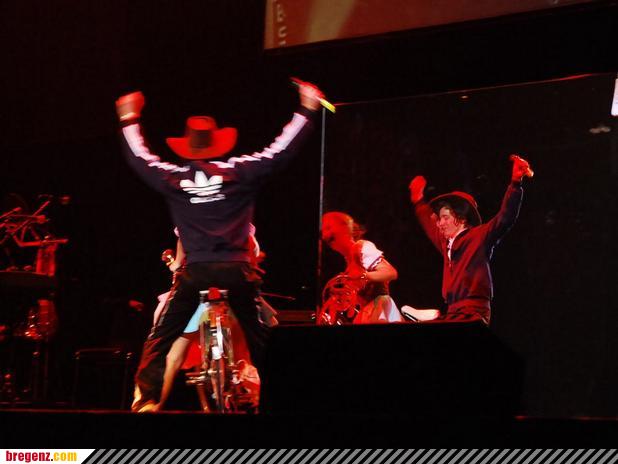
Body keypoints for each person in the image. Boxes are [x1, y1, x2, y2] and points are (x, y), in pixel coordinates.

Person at [116, 81, 323, 412]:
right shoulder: (241, 171)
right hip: (237, 271)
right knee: (261, 338)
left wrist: (129, 117)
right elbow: (281, 150)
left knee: (161, 335)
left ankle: (148, 401)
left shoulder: (175, 177)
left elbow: (140, 158)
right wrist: (307, 109)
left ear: (187, 147)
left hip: (195, 272)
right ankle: (281, 400)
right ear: (218, 143)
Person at [408, 155, 533, 325]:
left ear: (461, 218)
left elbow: (505, 218)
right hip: (452, 312)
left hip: (473, 312)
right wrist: (418, 201)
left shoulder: (479, 236)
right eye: (439, 218)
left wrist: (515, 183)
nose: (440, 223)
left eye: (445, 217)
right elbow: (429, 225)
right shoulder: (447, 244)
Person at [319, 211, 403, 324]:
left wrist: (363, 275)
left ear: (345, 228)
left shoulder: (361, 247)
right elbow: (352, 303)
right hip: (367, 312)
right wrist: (340, 297)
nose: (325, 235)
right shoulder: (349, 262)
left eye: (329, 228)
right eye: (323, 231)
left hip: (379, 309)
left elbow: (390, 272)